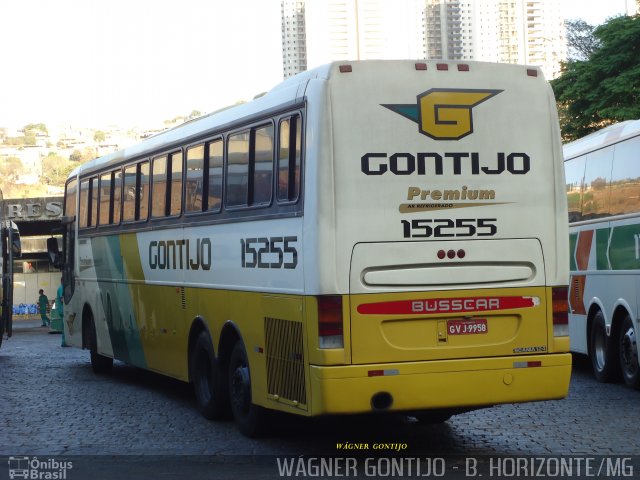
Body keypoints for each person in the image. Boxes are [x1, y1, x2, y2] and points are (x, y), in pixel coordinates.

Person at [56, 278, 68, 347]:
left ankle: (64, 341)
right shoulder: (62, 288)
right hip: (63, 310)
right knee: (65, 327)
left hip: (61, 310)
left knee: (64, 326)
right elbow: (62, 299)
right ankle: (64, 342)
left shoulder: (60, 288)